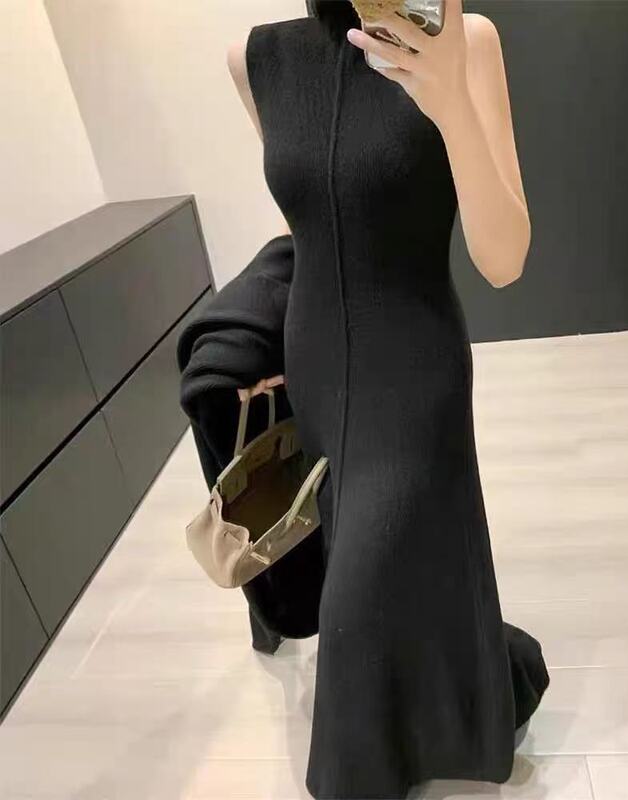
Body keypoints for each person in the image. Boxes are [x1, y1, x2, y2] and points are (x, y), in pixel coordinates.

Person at [226, 1, 550, 797]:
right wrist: (254, 342)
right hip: (314, 365)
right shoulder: (255, 60)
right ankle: (445, 704)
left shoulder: (464, 40)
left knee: (361, 587)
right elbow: (314, 225)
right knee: (378, 559)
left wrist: (449, 102)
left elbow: (504, 258)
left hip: (416, 369)